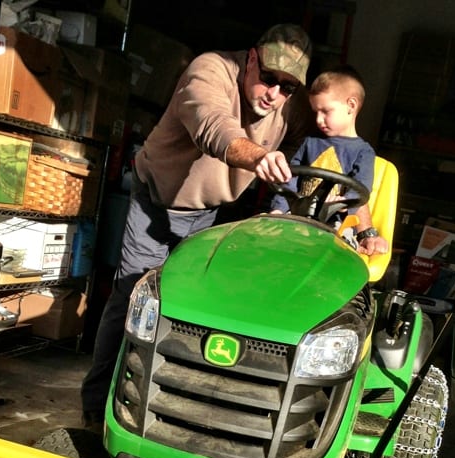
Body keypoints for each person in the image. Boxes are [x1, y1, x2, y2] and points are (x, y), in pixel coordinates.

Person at [81, 24, 315, 428]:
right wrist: (258, 156)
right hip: (156, 198)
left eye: (287, 87)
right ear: (252, 58)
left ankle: (169, 412)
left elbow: (298, 137)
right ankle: (97, 405)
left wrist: (281, 169)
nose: (274, 94)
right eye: (269, 78)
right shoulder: (210, 69)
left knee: (191, 309)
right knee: (135, 297)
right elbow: (213, 125)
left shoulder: (290, 107)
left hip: (209, 211)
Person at [270, 65, 389, 256]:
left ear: (351, 105)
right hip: (299, 216)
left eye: (325, 111)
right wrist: (278, 210)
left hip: (336, 223)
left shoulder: (363, 151)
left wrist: (342, 202)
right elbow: (289, 178)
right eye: (315, 111)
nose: (318, 119)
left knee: (334, 249)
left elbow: (360, 188)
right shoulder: (309, 142)